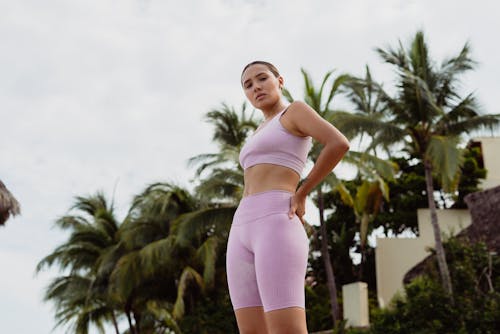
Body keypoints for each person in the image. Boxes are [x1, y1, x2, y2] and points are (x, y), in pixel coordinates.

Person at [226, 60, 349, 334]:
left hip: (276, 221)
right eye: (248, 85)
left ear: (279, 81)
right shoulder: (258, 131)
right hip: (241, 227)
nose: (256, 87)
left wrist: (303, 191)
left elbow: (338, 143)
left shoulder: (294, 112)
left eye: (262, 79)